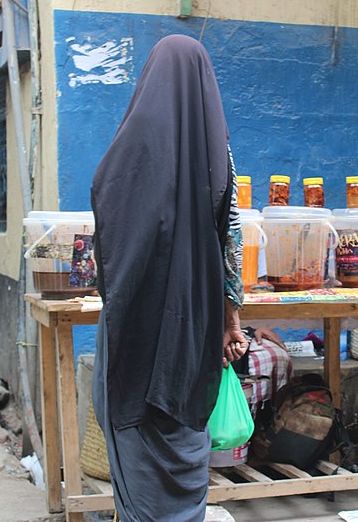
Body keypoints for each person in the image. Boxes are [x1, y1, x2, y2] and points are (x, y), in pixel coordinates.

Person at [90, 35, 248, 521]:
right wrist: (231, 319)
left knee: (135, 439)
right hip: (193, 327)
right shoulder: (218, 152)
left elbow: (107, 236)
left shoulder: (128, 149)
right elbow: (232, 244)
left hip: (132, 330)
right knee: (182, 435)